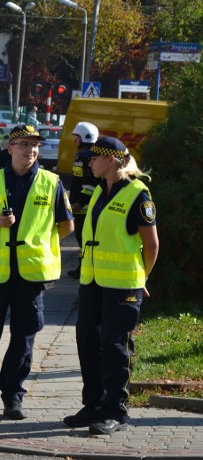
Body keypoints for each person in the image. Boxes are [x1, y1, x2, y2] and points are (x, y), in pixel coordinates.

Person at [0, 124, 74, 421]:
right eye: (23, 144)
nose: (30, 150)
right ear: (10, 148)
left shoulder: (51, 182)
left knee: (23, 340)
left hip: (31, 276)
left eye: (34, 145)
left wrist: (41, 244)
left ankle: (13, 399)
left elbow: (66, 225)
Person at [63, 137, 158, 436]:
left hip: (123, 285)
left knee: (116, 347)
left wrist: (142, 278)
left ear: (113, 160)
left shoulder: (138, 195)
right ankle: (93, 405)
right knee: (87, 343)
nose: (89, 162)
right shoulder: (100, 191)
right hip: (93, 282)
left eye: (94, 158)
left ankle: (116, 410)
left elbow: (152, 244)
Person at [67, 122, 99, 278]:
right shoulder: (87, 154)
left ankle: (84, 270)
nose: (75, 141)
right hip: (83, 206)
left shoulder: (86, 156)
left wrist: (79, 203)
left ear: (83, 138)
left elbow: (89, 184)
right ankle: (81, 268)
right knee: (82, 241)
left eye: (76, 137)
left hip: (84, 207)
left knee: (83, 240)